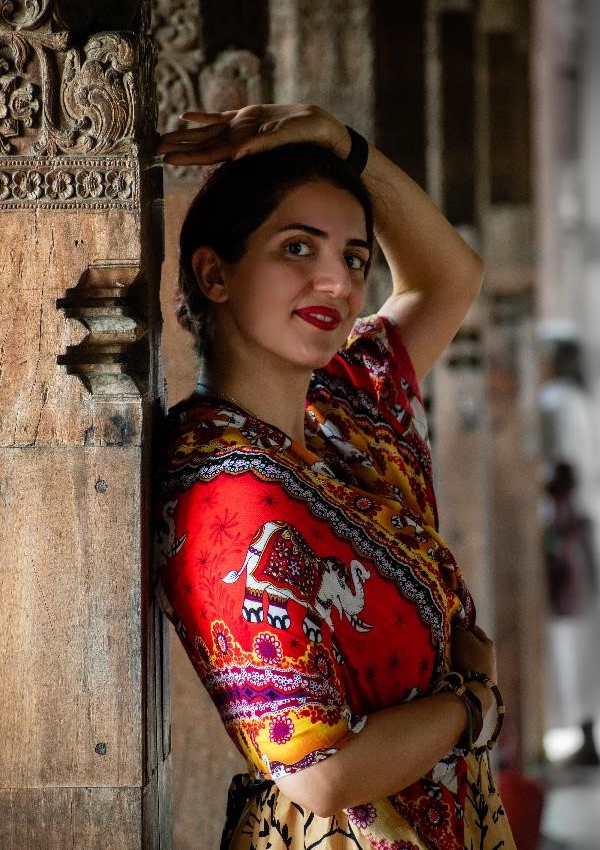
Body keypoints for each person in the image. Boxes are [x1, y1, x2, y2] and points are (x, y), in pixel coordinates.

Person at [155, 104, 515, 849]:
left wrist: (341, 142)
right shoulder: (225, 496)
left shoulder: (342, 408)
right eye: (297, 248)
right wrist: (473, 706)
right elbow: (321, 773)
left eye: (354, 257)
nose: (337, 281)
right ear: (215, 274)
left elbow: (449, 277)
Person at [538, 328, 600, 765]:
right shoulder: (578, 401)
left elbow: (563, 469)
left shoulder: (557, 402)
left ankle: (584, 731)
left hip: (568, 530)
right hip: (582, 527)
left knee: (571, 633)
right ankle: (585, 731)